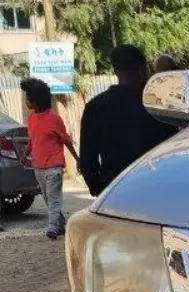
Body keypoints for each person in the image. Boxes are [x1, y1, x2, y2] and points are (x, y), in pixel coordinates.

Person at [79, 44, 168, 198]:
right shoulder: (157, 106)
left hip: (114, 192)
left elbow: (87, 160)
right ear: (142, 70)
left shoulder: (95, 106)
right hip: (154, 190)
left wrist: (100, 190)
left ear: (116, 71)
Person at [20, 77, 79, 241]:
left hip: (54, 166)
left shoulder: (55, 119)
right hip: (38, 165)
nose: (26, 101)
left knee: (53, 199)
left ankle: (52, 227)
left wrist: (77, 158)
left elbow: (66, 140)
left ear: (35, 101)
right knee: (47, 198)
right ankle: (59, 224)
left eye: (28, 98)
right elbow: (33, 139)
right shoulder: (31, 119)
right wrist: (26, 155)